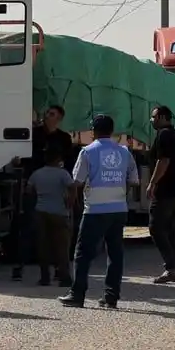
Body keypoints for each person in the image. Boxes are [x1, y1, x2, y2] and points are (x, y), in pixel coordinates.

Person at [59, 114, 138, 309]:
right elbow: (134, 181)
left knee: (83, 253)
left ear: (93, 131)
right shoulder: (124, 152)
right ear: (112, 131)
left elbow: (76, 181)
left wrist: (72, 200)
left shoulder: (87, 151)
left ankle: (77, 295)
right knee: (115, 253)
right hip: (118, 210)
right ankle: (111, 297)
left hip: (94, 210)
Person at [11, 104, 74, 281]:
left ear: (59, 118)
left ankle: (57, 270)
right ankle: (20, 266)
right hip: (34, 184)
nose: (47, 116)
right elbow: (23, 155)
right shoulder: (34, 134)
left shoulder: (63, 138)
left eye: (52, 114)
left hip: (55, 187)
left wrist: (68, 191)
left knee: (57, 233)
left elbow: (69, 164)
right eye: (47, 113)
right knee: (29, 228)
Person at [146, 105, 175, 284]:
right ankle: (174, 268)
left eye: (154, 117)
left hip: (165, 191)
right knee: (170, 230)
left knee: (155, 228)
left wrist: (152, 183)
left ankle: (171, 268)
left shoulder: (163, 135)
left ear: (163, 117)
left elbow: (163, 161)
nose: (152, 120)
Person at [27, 146, 75, 287]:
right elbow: (72, 187)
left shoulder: (37, 174)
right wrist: (70, 203)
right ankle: (64, 278)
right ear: (58, 159)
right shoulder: (63, 174)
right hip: (59, 213)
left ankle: (44, 278)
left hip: (41, 212)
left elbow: (29, 190)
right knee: (62, 247)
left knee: (43, 246)